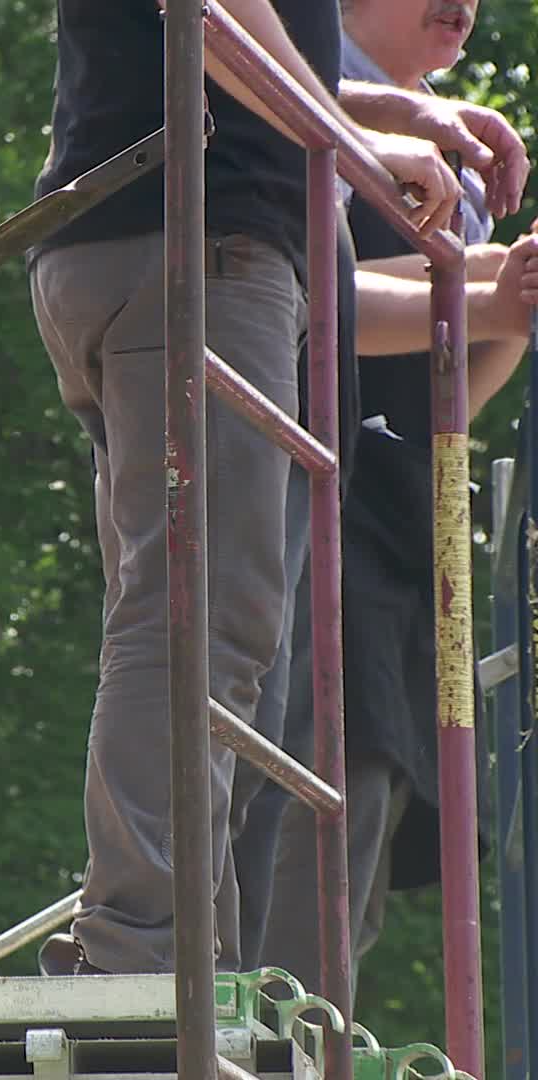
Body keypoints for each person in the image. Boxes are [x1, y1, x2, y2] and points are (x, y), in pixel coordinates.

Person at [30, 0, 519, 976]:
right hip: (199, 242)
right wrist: (362, 152)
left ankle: (187, 956)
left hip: (180, 244)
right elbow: (216, 23)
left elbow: (245, 33)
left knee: (238, 646)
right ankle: (141, 953)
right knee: (202, 623)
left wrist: (403, 119)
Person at [255, 0, 536, 999]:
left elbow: (444, 394)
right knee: (325, 765)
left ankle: (307, 1019)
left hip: (390, 504)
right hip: (299, 469)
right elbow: (311, 300)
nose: (459, 6)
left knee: (370, 789)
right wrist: (489, 290)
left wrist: (509, 306)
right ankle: (275, 1019)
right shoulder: (285, 80)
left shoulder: (446, 151)